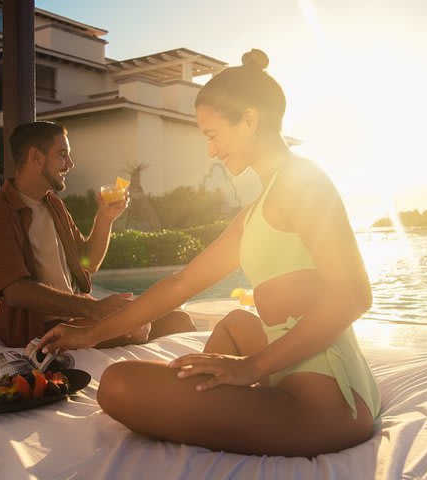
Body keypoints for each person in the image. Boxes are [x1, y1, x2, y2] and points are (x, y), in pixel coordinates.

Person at [38, 49, 380, 457]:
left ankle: (205, 400)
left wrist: (251, 367)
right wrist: (88, 335)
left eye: (213, 135)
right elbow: (180, 284)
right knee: (235, 323)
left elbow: (355, 294)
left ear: (250, 120)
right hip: (303, 371)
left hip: (326, 402)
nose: (211, 151)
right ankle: (203, 399)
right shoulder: (259, 207)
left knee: (118, 384)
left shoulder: (302, 182)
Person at [0, 121, 195, 348]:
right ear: (36, 157)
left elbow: (89, 261)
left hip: (77, 319)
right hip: (40, 330)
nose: (70, 163)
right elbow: (17, 291)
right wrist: (94, 309)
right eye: (62, 155)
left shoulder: (52, 204)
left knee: (178, 318)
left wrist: (105, 217)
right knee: (164, 325)